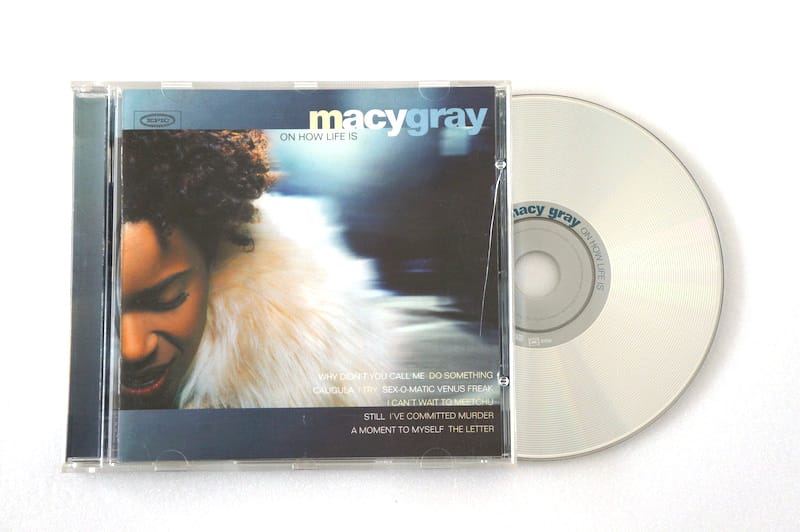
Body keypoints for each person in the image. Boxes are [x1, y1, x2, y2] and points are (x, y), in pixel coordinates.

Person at [120, 130, 389, 409]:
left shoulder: (298, 373)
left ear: (211, 260)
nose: (133, 349)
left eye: (167, 300)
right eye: (103, 311)